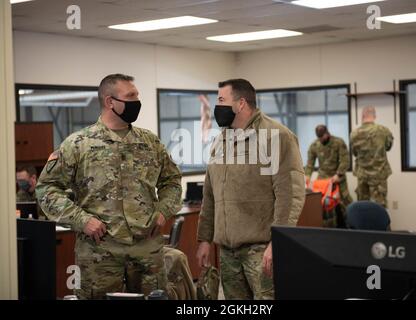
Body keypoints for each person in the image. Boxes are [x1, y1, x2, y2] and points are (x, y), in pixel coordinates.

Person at [36, 74, 182, 299]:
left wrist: (163, 211)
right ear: (109, 102)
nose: (137, 101)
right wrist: (81, 220)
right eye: (130, 96)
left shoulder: (150, 142)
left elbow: (171, 181)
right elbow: (46, 189)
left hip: (146, 248)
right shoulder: (78, 144)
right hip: (99, 250)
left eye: (137, 95)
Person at [196, 78, 305, 300]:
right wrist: (204, 239)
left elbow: (290, 195)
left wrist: (278, 242)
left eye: (222, 100)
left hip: (262, 249)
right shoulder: (222, 140)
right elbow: (210, 194)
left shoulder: (277, 136)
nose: (218, 107)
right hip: (228, 251)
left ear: (242, 103)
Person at [305, 125, 353, 227]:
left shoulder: (338, 142)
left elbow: (345, 160)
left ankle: (350, 226)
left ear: (327, 133)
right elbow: (310, 164)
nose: (321, 139)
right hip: (323, 180)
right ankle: (327, 228)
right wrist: (307, 176)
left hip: (338, 178)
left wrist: (338, 174)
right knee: (324, 205)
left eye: (322, 137)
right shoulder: (314, 145)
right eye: (319, 137)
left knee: (345, 202)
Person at [350, 106, 393, 208]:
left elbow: (355, 152)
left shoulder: (354, 134)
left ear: (362, 116)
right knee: (380, 207)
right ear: (374, 116)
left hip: (362, 175)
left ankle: (364, 224)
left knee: (363, 207)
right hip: (379, 174)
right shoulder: (384, 131)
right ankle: (380, 224)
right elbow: (388, 147)